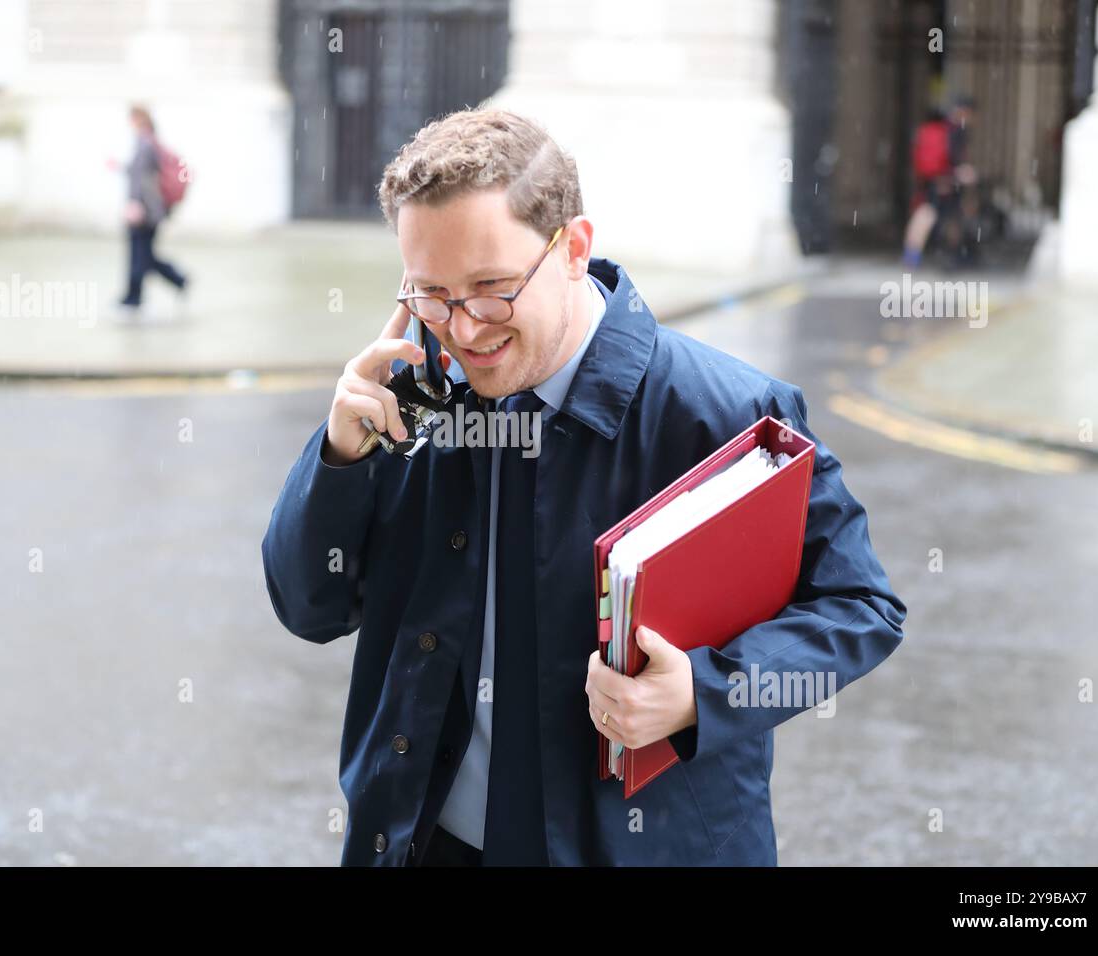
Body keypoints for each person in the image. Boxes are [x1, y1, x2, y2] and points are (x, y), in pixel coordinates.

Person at [261, 108, 906, 866]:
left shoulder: (729, 412)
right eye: (432, 294)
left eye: (492, 287)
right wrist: (338, 458)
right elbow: (309, 608)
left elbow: (862, 610)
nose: (463, 331)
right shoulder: (407, 399)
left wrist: (704, 692)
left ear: (573, 248)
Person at [117, 105, 187, 315]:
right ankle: (174, 281)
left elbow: (142, 181)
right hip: (151, 210)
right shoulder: (150, 144)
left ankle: (134, 298)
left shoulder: (145, 144)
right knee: (143, 255)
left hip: (145, 211)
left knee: (140, 255)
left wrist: (136, 204)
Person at [903, 96, 977, 267]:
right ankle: (954, 255)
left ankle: (912, 257)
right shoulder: (956, 130)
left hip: (933, 179)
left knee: (928, 214)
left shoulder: (939, 126)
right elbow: (954, 158)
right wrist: (959, 174)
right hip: (944, 181)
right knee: (944, 216)